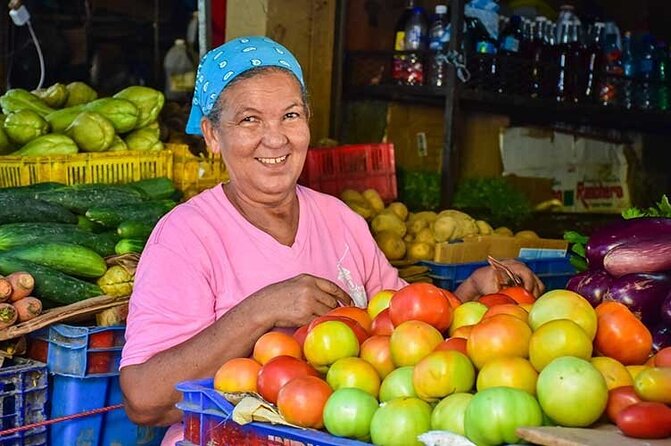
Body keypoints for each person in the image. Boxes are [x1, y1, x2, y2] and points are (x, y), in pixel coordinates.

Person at [119, 35, 544, 445]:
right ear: (213, 135)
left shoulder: (341, 220)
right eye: (250, 119)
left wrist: (473, 293)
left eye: (290, 115)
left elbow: (405, 329)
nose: (276, 138)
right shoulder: (185, 237)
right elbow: (143, 400)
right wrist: (259, 311)